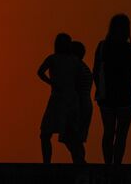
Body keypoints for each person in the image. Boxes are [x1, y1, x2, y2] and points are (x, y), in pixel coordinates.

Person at [94, 14, 131, 165]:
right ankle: (117, 165)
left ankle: (108, 164)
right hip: (126, 96)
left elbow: (95, 70)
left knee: (108, 132)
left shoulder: (102, 46)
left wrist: (100, 89)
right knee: (121, 134)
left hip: (106, 96)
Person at [37, 33, 84, 164]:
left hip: (61, 99)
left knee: (51, 134)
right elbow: (40, 72)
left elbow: (40, 72)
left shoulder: (56, 59)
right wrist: (52, 82)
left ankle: (75, 161)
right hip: (65, 99)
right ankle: (50, 162)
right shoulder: (71, 61)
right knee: (59, 134)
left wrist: (52, 82)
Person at [71, 40, 93, 163]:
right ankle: (79, 161)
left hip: (78, 105)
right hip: (86, 104)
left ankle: (79, 161)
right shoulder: (85, 68)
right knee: (77, 139)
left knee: (72, 137)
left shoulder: (76, 68)